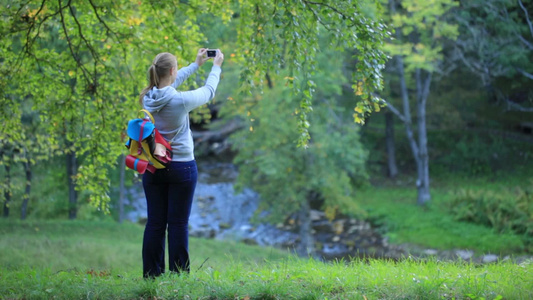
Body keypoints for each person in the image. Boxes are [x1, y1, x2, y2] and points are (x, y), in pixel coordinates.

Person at [138, 48, 224, 278]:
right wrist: (215, 67)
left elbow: (168, 83)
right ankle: (178, 278)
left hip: (154, 166)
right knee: (177, 224)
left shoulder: (147, 97)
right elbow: (208, 91)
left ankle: (152, 276)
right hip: (181, 167)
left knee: (155, 223)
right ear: (173, 71)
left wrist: (196, 65)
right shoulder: (180, 100)